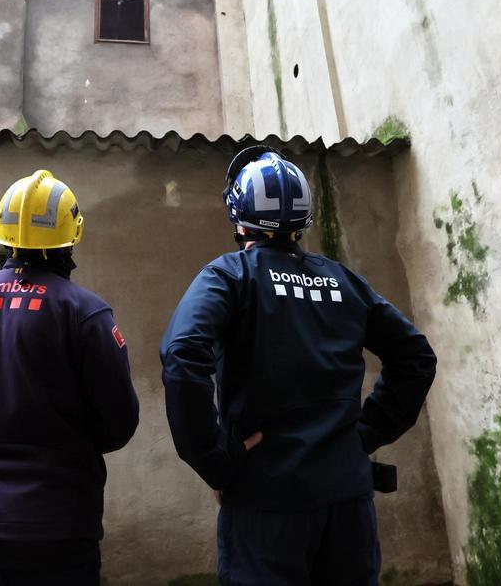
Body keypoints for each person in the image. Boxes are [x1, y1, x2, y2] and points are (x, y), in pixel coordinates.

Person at [160, 146, 437, 586]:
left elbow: (182, 354)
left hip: (267, 507)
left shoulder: (228, 276)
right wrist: (364, 435)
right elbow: (415, 357)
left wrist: (216, 461)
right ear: (303, 221)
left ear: (238, 216)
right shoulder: (343, 282)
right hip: (349, 505)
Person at [0, 169, 139, 586]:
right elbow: (119, 424)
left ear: (2, 235)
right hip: (56, 533)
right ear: (73, 235)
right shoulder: (86, 314)